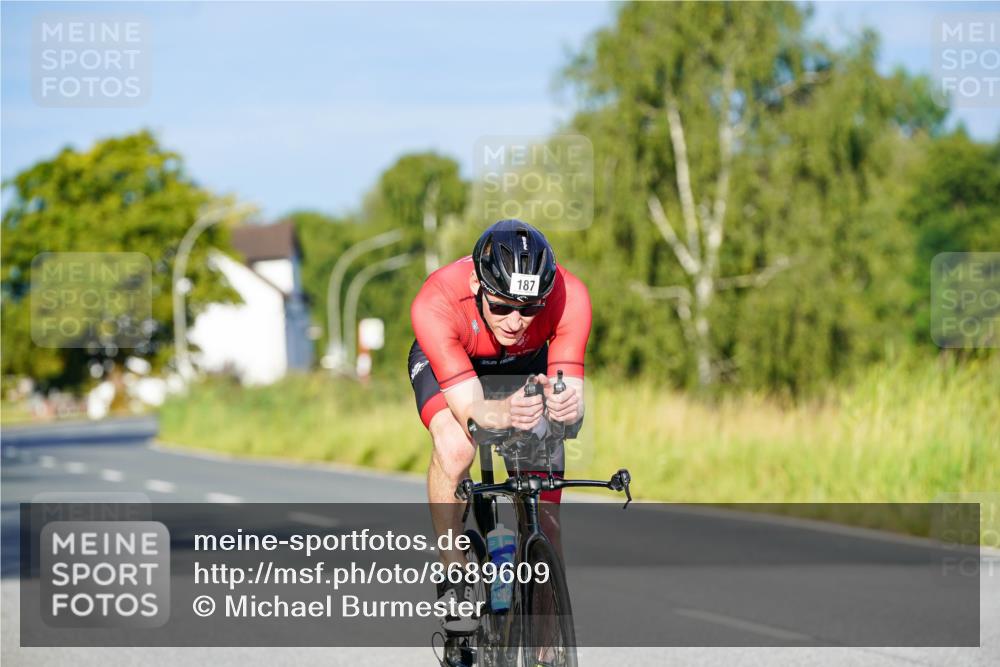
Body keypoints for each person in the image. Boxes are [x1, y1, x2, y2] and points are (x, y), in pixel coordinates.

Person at [408, 219, 592, 635]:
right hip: (455, 363)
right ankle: (453, 573)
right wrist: (504, 413)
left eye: (529, 309)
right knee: (457, 447)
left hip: (525, 366)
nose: (515, 321)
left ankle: (546, 642)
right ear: (477, 284)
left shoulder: (570, 296)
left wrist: (566, 406)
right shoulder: (437, 299)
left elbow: (572, 405)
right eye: (502, 307)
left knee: (547, 519)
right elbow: (471, 410)